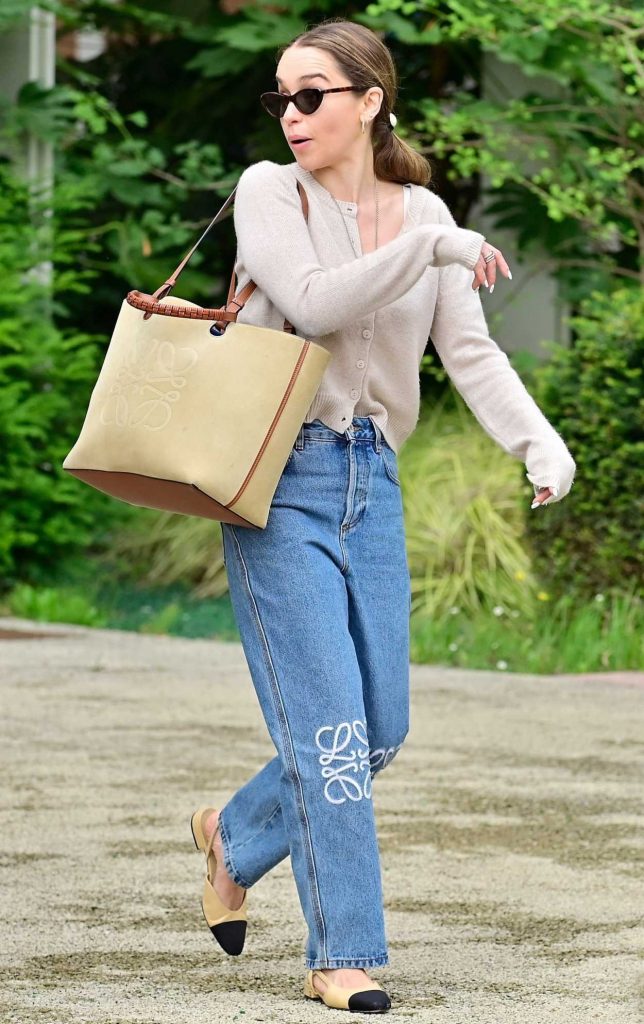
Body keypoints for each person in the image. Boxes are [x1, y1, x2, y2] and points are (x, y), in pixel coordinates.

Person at [190, 17, 576, 1015]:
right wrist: (431, 246)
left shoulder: (422, 210)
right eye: (280, 96)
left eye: (311, 94)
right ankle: (341, 954)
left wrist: (537, 443)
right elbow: (314, 303)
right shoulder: (270, 193)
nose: (290, 113)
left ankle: (233, 834)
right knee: (328, 733)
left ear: (369, 99)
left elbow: (470, 351)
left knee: (379, 729)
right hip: (279, 483)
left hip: (373, 481)